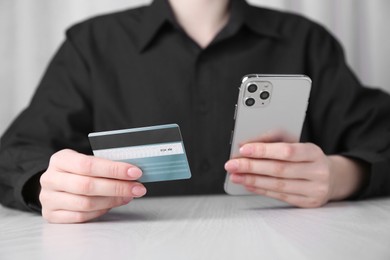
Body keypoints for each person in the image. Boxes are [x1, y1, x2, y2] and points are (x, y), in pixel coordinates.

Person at [1, 0, 390, 224]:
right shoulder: (91, 44)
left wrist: (343, 176)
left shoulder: (306, 40)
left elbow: (382, 135)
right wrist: (46, 185)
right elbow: (15, 153)